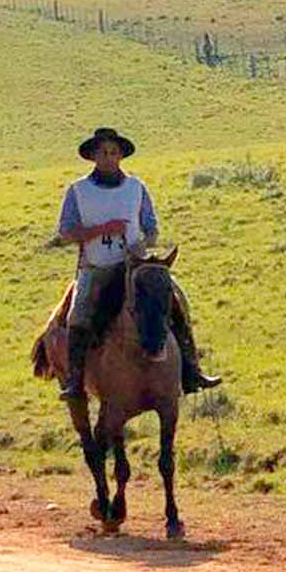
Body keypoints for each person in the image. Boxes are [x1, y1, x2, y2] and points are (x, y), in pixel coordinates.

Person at [55, 127, 221, 400]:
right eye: (103, 152)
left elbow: (152, 227)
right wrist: (102, 229)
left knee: (176, 299)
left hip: (135, 265)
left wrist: (142, 243)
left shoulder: (136, 188)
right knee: (78, 313)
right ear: (93, 156)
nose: (109, 157)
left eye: (113, 152)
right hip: (96, 267)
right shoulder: (78, 191)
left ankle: (191, 370)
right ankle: (75, 382)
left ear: (121, 156)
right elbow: (66, 232)